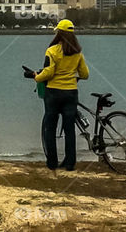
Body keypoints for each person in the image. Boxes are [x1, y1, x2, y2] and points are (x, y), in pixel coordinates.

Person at [24, 19, 88, 172]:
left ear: (59, 33)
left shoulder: (52, 51)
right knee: (69, 130)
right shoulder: (77, 52)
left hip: (53, 93)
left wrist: (35, 76)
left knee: (50, 128)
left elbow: (49, 72)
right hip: (71, 93)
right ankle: (70, 163)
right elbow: (85, 74)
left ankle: (52, 162)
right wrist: (73, 77)